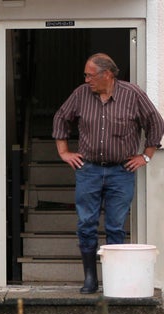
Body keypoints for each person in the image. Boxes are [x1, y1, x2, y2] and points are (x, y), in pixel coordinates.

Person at [52, 53, 164, 294]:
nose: (86, 79)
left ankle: (114, 280)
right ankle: (90, 278)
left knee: (115, 226)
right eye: (86, 75)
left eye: (90, 75)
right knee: (86, 224)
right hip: (88, 170)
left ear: (108, 74)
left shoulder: (133, 94)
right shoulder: (81, 94)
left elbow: (155, 122)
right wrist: (64, 152)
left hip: (121, 171)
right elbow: (61, 117)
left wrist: (146, 155)